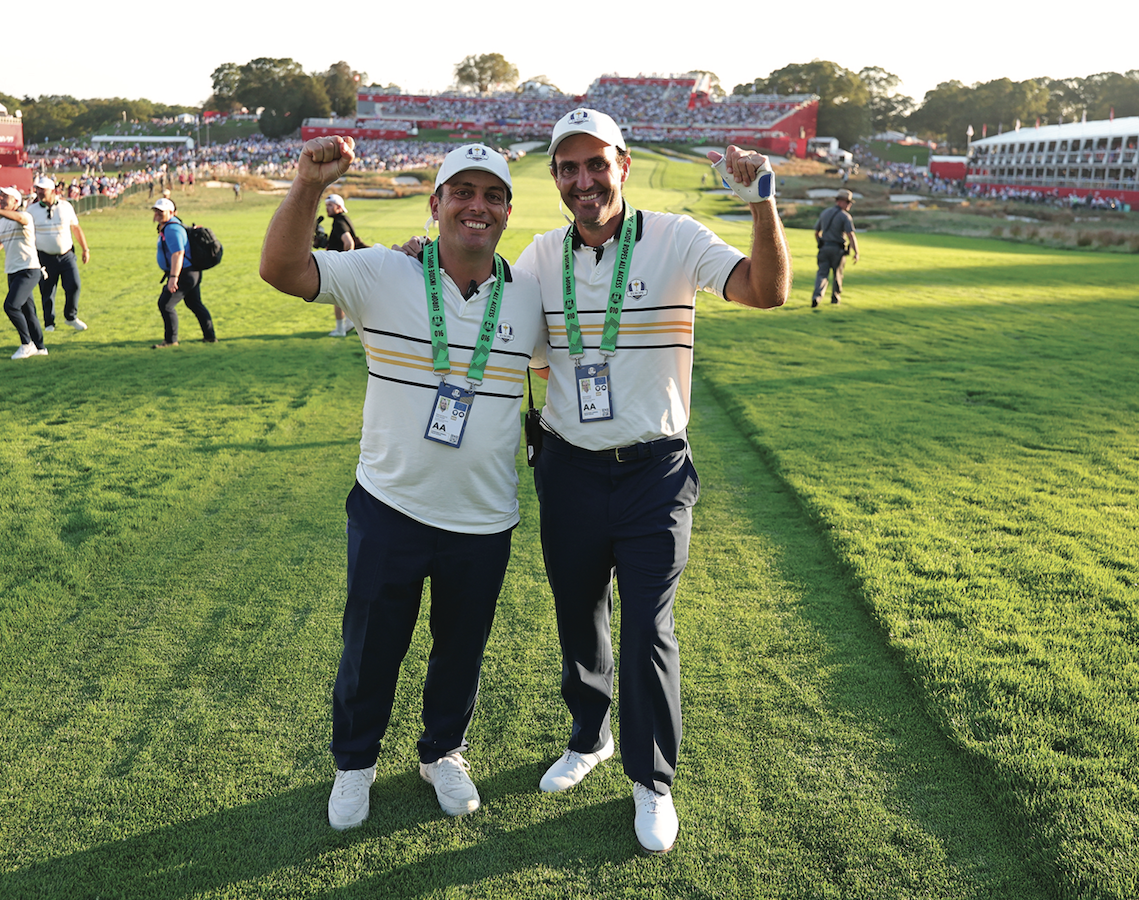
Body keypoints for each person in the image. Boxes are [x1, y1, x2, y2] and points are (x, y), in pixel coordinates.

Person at [515, 109, 790, 854]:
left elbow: (766, 290)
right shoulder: (539, 255)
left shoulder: (675, 238)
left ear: (623, 165)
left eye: (595, 164)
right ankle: (589, 736)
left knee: (646, 627)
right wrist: (420, 260)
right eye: (568, 168)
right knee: (578, 613)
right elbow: (501, 329)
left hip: (654, 472)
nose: (583, 181)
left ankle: (651, 780)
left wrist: (762, 200)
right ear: (556, 177)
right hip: (568, 468)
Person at [259, 137, 545, 830]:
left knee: (461, 651)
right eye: (462, 192)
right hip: (391, 505)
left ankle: (442, 752)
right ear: (436, 202)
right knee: (371, 647)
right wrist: (307, 185)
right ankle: (355, 762)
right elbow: (281, 269)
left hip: (483, 517)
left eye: (492, 196)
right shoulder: (384, 271)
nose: (477, 207)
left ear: (507, 212)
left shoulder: (531, 297)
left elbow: (566, 362)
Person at [0, 187, 49, 359]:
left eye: (5, 197)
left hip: (28, 269)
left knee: (11, 306)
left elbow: (19, 218)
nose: (1, 199)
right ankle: (40, 348)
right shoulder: (3, 223)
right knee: (28, 311)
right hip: (13, 271)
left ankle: (27, 344)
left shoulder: (25, 216)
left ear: (16, 202)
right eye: (0, 197)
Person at [151, 197, 216, 347]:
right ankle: (210, 337)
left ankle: (170, 340)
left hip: (184, 273)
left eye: (161, 212)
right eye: (156, 211)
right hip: (189, 272)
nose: (158, 214)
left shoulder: (172, 229)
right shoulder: (168, 226)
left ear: (172, 212)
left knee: (165, 304)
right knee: (194, 303)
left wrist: (174, 277)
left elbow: (178, 253)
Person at [28, 176, 90, 332]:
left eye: (43, 190)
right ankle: (49, 323)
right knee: (47, 290)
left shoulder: (65, 206)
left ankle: (70, 317)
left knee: (74, 285)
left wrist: (85, 249)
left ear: (52, 191)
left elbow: (75, 227)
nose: (39, 192)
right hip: (44, 256)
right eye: (38, 189)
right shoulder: (32, 210)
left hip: (66, 255)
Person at [811, 189, 859, 307]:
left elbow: (816, 233)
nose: (849, 205)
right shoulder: (845, 216)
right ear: (840, 202)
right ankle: (835, 299)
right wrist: (856, 252)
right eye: (848, 202)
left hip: (824, 248)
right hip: (838, 250)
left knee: (822, 274)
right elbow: (850, 235)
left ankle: (817, 297)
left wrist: (820, 243)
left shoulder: (825, 213)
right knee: (838, 275)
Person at [324, 193, 357, 336]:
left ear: (338, 207)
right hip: (353, 263)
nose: (327, 208)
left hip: (344, 265)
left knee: (337, 296)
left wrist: (345, 263)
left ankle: (340, 329)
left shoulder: (339, 223)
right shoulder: (342, 219)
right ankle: (349, 323)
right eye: (326, 206)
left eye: (330, 205)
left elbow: (349, 243)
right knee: (345, 296)